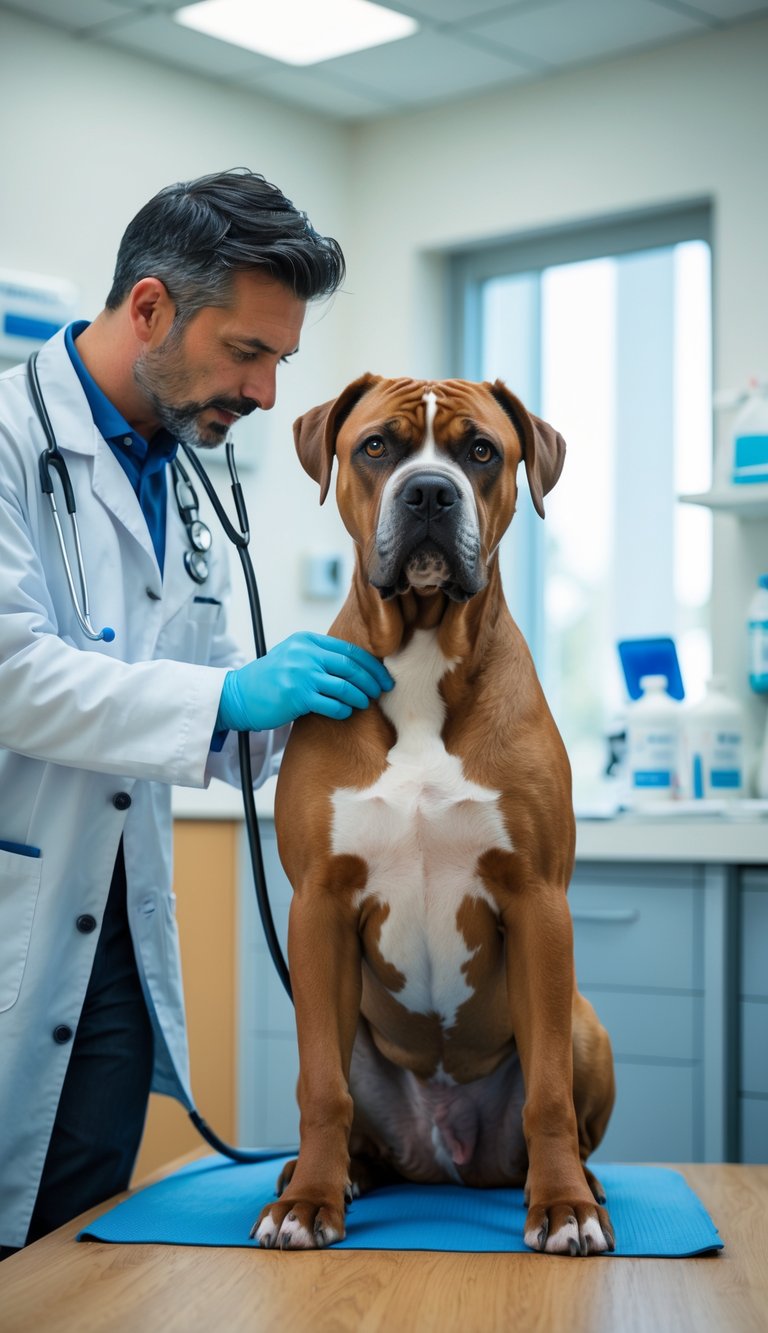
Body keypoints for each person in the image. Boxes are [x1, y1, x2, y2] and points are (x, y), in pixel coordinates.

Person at [0, 168, 393, 1256]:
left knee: (76, 1252)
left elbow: (211, 706)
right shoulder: (3, 440)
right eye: (248, 352)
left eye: (281, 360)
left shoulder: (184, 473)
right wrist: (230, 692)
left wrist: (306, 705)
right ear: (151, 309)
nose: (267, 393)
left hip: (115, 935)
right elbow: (14, 676)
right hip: (11, 914)